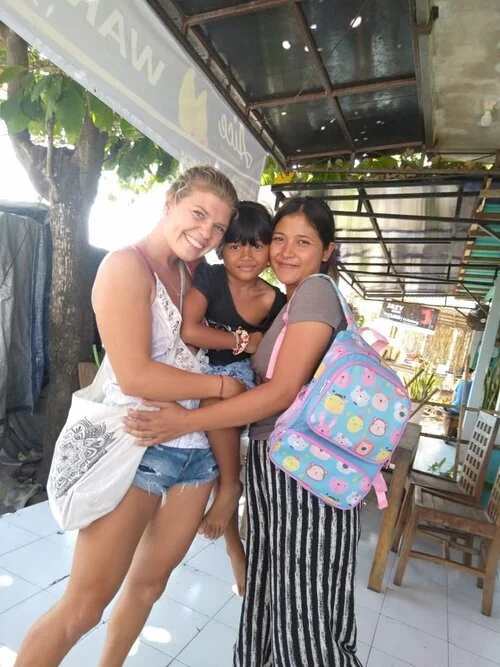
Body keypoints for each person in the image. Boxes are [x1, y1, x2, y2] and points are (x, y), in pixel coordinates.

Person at [14, 166, 245, 667]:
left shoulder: (193, 275)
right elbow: (137, 375)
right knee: (82, 609)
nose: (205, 232)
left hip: (196, 454)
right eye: (198, 213)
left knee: (148, 588)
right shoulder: (126, 266)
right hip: (136, 448)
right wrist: (224, 389)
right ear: (170, 202)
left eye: (218, 227)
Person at [125, 196, 363, 667]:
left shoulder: (313, 293)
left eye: (303, 242)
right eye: (281, 239)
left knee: (305, 622)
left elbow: (280, 393)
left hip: (306, 475)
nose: (285, 251)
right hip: (287, 466)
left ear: (327, 250)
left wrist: (186, 421)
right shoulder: (293, 300)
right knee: (275, 597)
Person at [181, 200, 286, 593]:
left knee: (215, 399)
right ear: (221, 249)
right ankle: (234, 547)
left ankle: (231, 487)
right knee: (211, 451)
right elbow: (189, 330)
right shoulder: (209, 277)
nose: (245, 255)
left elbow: (267, 356)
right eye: (235, 245)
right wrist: (244, 340)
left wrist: (246, 349)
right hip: (195, 369)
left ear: (269, 250)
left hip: (236, 380)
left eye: (256, 245)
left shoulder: (276, 302)